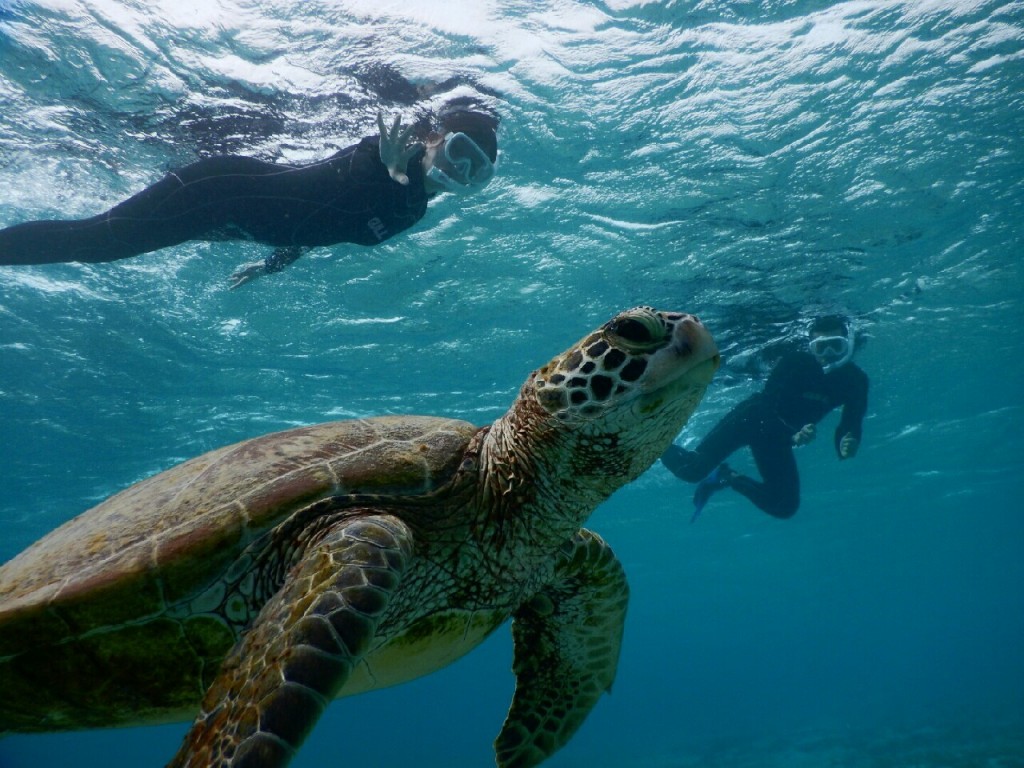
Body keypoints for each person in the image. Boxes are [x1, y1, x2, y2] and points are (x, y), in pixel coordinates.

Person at [0, 97, 499, 288]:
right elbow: (349, 177)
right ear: (434, 138)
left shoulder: (413, 211)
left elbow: (329, 226)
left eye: (475, 170)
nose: (459, 170)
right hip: (220, 190)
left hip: (231, 224)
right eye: (459, 151)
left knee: (100, 244)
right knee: (96, 242)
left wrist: (271, 264)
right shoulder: (385, 155)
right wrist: (387, 166)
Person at [661, 315, 869, 520]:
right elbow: (769, 405)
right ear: (811, 347)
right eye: (820, 347)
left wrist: (847, 443)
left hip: (779, 438)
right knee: (692, 471)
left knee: (784, 506)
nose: (828, 354)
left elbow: (851, 422)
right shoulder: (794, 362)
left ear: (849, 344)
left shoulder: (855, 381)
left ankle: (727, 477)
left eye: (836, 346)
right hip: (751, 419)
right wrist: (794, 435)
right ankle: (650, 440)